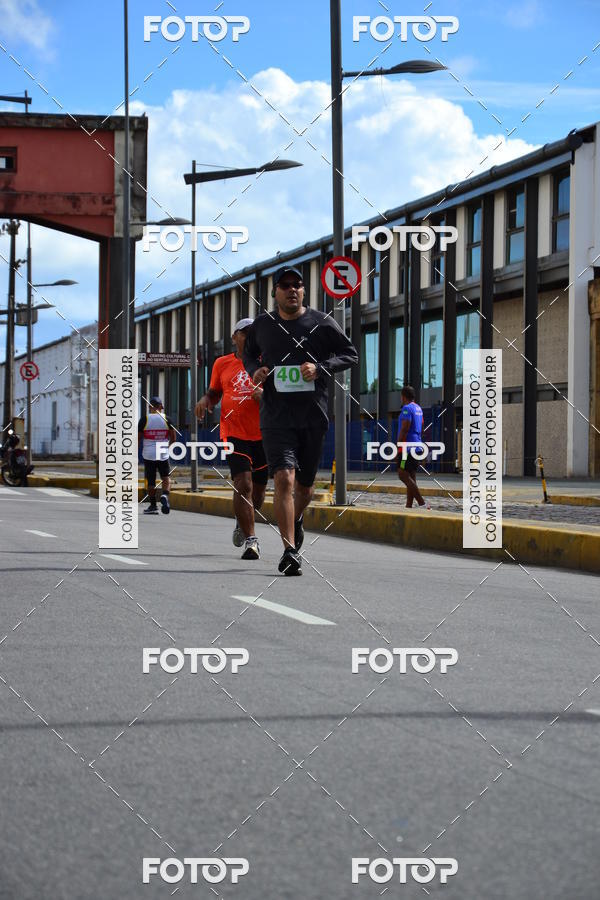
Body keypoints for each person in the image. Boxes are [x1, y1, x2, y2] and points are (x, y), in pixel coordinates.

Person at [243, 265, 358, 576]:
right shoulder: (263, 325)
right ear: (275, 293)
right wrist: (255, 370)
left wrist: (320, 368)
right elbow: (249, 355)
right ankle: (290, 551)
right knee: (284, 479)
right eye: (285, 285)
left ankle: (295, 518)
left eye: (297, 284)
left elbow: (350, 354)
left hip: (312, 417)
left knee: (304, 490)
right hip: (276, 416)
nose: (292, 289)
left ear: (304, 291)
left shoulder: (321, 322)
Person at [195, 318, 267, 560]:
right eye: (245, 333)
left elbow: (281, 394)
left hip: (265, 433)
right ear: (234, 337)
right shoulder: (222, 363)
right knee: (243, 484)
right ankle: (251, 540)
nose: (250, 336)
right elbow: (215, 392)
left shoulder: (266, 362)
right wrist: (206, 400)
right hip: (233, 432)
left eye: (253, 333)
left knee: (258, 493)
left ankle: (242, 519)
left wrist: (265, 395)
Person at [138, 397, 176, 515]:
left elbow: (138, 439)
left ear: (150, 407)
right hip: (162, 452)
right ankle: (165, 495)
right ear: (160, 407)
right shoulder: (167, 419)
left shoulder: (144, 419)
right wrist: (166, 447)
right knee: (166, 478)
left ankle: (153, 505)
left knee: (151, 481)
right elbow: (173, 438)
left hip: (148, 454)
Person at [396, 385, 428, 509]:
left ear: (403, 397)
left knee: (402, 474)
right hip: (417, 445)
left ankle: (422, 503)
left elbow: (405, 428)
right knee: (411, 475)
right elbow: (422, 427)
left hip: (406, 448)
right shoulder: (418, 409)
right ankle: (408, 505)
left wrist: (398, 445)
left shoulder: (406, 409)